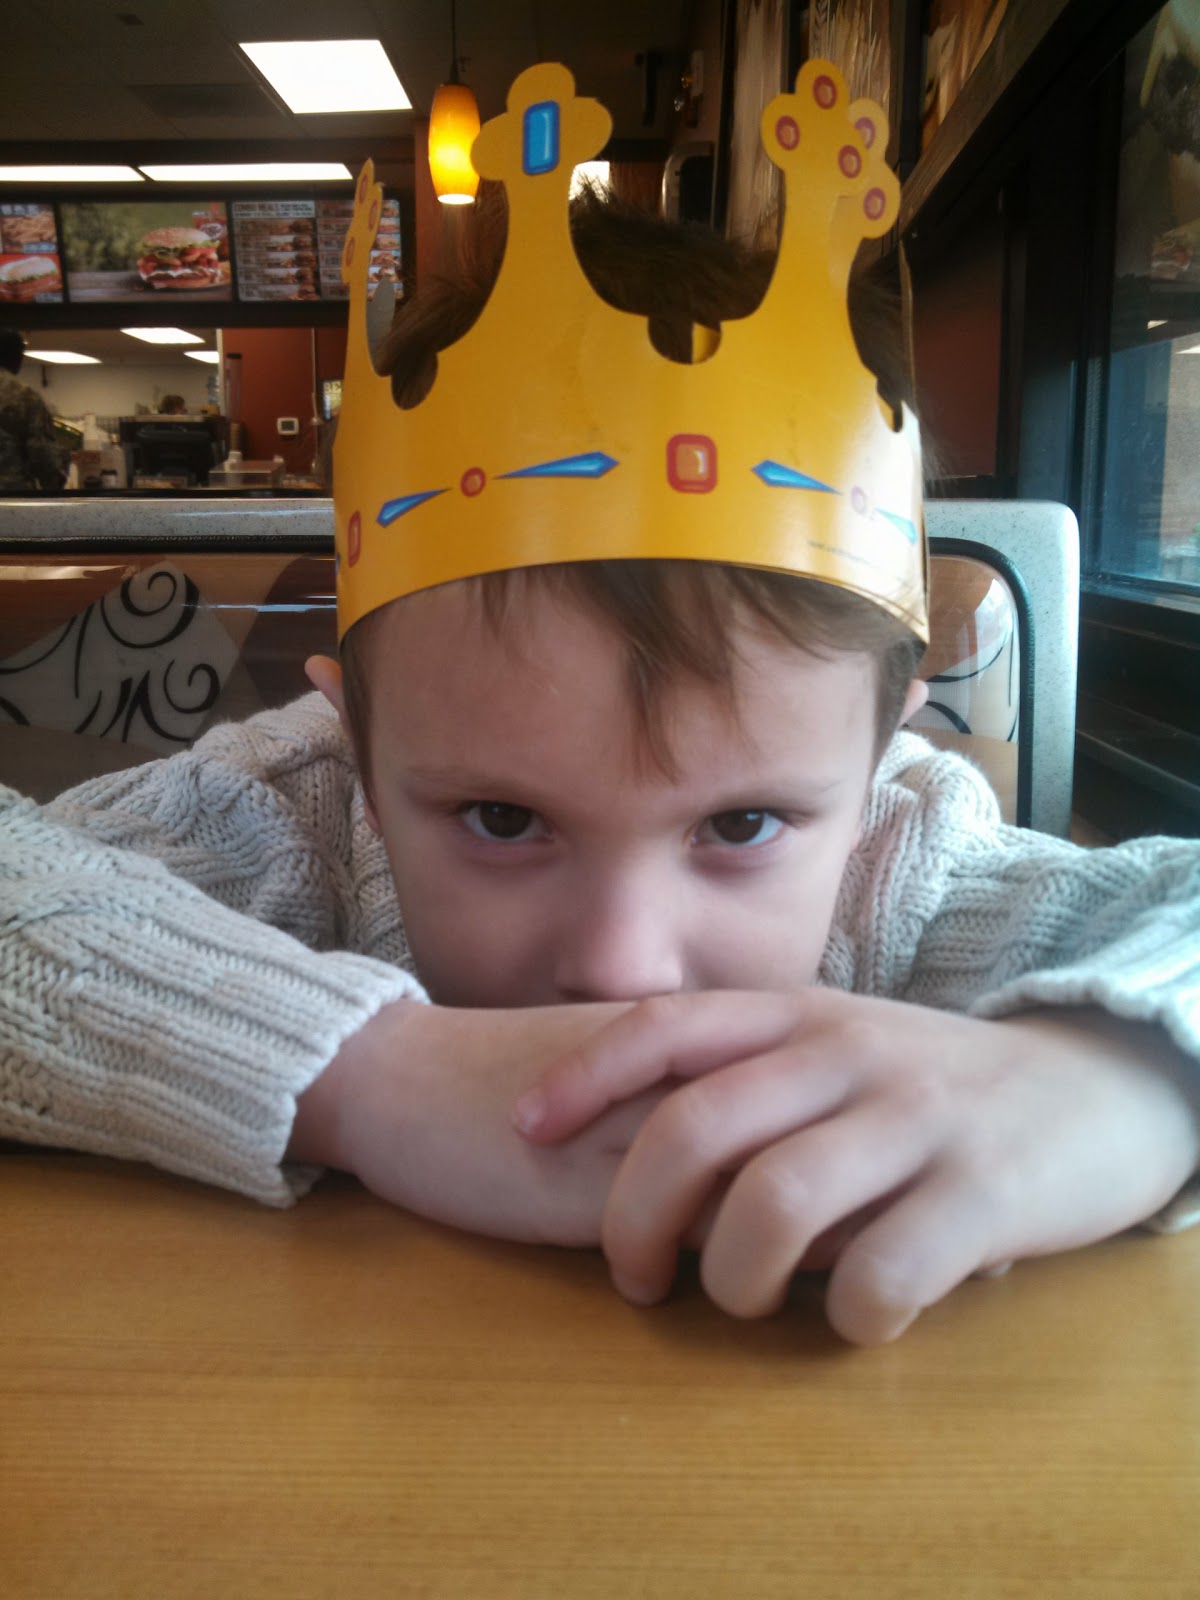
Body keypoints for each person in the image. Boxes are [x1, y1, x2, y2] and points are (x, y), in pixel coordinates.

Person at [1, 62, 1198, 1348]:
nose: (623, 965)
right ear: (359, 746)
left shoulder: (908, 869)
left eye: (740, 825)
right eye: (503, 819)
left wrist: (1115, 1075)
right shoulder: (292, 817)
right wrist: (373, 1077)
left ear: (875, 765)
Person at [0, 328, 70, 492]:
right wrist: (54, 484)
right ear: (15, 356)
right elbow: (42, 452)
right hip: (11, 494)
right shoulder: (23, 396)